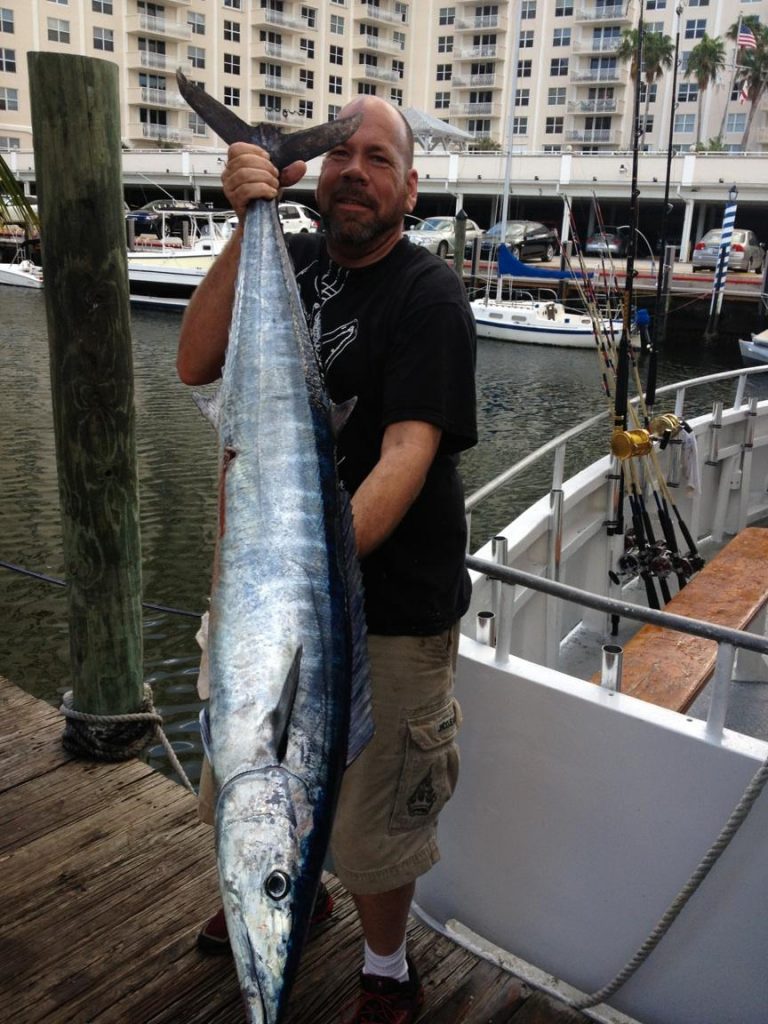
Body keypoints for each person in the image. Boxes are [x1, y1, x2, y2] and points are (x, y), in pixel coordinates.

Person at [177, 96, 477, 1024]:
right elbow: (193, 363)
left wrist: (304, 568)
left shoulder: (430, 297)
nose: (354, 169)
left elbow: (406, 456)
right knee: (244, 767)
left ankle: (386, 966)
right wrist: (247, 215)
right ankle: (281, 891)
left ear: (410, 188)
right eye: (341, 154)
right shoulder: (289, 258)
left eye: (379, 158)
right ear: (318, 178)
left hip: (385, 612)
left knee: (373, 826)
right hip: (265, 598)